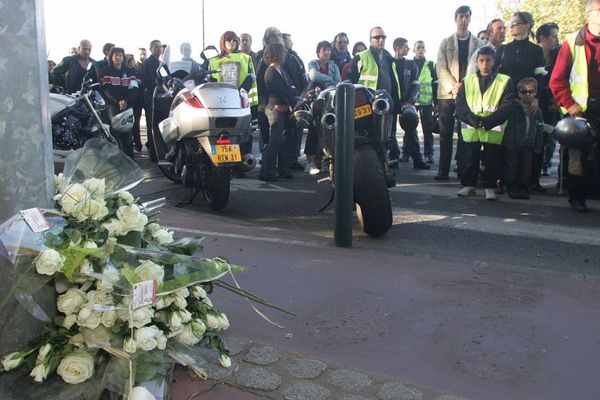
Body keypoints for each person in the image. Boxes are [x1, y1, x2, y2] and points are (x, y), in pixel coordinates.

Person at [550, 0, 600, 212]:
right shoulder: (572, 42)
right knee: (577, 157)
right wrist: (570, 105)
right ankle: (577, 198)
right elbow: (556, 80)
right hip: (580, 109)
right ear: (588, 14)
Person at [496, 11, 547, 194]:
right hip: (508, 103)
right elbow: (497, 78)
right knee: (508, 144)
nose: (511, 27)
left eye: (515, 23)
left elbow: (540, 78)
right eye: (511, 23)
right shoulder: (503, 49)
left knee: (526, 144)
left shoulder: (536, 50)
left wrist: (536, 98)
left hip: (527, 102)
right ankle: (505, 181)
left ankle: (525, 183)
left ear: (527, 25)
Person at [455, 46, 513, 200]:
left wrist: (488, 121)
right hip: (471, 126)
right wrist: (472, 119)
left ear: (494, 61)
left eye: (488, 60)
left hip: (492, 127)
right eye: (481, 60)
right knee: (469, 158)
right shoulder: (467, 81)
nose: (485, 63)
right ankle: (469, 185)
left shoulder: (504, 80)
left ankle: (490, 186)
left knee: (492, 159)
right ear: (477, 62)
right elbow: (460, 104)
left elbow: (507, 105)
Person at [435, 5, 481, 180]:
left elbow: (479, 68)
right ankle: (443, 170)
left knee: (465, 134)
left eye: (467, 16)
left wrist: (465, 87)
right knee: (445, 133)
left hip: (469, 94)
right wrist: (454, 85)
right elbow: (441, 67)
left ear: (470, 19)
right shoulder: (446, 42)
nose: (463, 20)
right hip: (447, 94)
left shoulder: (478, 43)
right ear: (455, 19)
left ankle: (462, 169)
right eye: (460, 16)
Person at [209, 31, 258, 156]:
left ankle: (244, 160)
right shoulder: (213, 61)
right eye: (229, 40)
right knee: (220, 132)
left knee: (243, 133)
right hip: (220, 102)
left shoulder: (246, 58)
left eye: (235, 40)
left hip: (241, 101)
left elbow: (251, 78)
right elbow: (209, 80)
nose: (232, 43)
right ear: (223, 42)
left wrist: (242, 95)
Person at [259, 42, 301, 182]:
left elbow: (290, 87)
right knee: (275, 141)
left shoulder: (280, 70)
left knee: (285, 140)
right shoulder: (271, 72)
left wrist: (294, 97)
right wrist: (294, 100)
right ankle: (266, 172)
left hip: (282, 108)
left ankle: (283, 169)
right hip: (275, 108)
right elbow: (281, 91)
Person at [391, 38, 430, 169]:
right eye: (405, 47)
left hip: (407, 102)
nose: (408, 49)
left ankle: (417, 159)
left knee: (411, 128)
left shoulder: (411, 65)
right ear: (397, 47)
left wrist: (411, 101)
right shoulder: (389, 63)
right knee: (390, 130)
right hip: (391, 102)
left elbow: (416, 85)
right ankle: (393, 157)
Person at [502, 77, 544, 199]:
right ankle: (512, 188)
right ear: (519, 93)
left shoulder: (537, 111)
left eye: (531, 91)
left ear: (535, 93)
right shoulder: (512, 108)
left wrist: (538, 144)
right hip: (512, 143)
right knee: (512, 167)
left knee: (526, 169)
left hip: (528, 143)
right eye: (523, 92)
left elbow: (540, 128)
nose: (527, 94)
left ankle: (523, 188)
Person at [97, 47, 139, 159]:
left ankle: (130, 158)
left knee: (128, 132)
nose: (118, 58)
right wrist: (118, 101)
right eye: (116, 55)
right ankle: (117, 159)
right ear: (111, 57)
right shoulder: (105, 72)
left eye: (120, 55)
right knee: (115, 132)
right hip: (113, 106)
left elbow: (134, 88)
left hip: (128, 106)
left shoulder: (130, 71)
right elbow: (107, 90)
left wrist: (126, 100)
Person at [305, 40, 341, 173]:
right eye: (324, 50)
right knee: (314, 130)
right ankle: (310, 162)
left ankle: (328, 161)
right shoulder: (312, 64)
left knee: (330, 130)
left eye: (329, 50)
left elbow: (338, 82)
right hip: (316, 101)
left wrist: (326, 81)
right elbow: (313, 76)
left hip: (331, 102)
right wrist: (329, 81)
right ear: (318, 52)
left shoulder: (334, 66)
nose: (327, 53)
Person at [535, 22, 561, 176]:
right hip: (536, 102)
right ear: (542, 38)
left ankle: (546, 162)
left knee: (550, 136)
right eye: (553, 36)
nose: (556, 39)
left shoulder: (559, 56)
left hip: (553, 103)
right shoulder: (533, 54)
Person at [413, 40, 438, 164]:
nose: (420, 50)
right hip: (412, 102)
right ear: (414, 50)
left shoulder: (430, 65)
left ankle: (429, 154)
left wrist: (436, 103)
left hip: (427, 103)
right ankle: (408, 153)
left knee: (427, 130)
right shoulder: (410, 64)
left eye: (423, 47)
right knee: (410, 129)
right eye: (418, 47)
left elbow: (435, 84)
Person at [142, 39, 162, 161]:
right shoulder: (148, 62)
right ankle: (154, 153)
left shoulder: (160, 62)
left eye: (160, 47)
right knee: (152, 125)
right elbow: (150, 81)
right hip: (151, 96)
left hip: (159, 97)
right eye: (156, 47)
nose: (158, 49)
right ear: (151, 48)